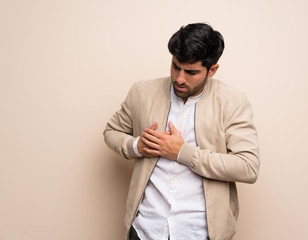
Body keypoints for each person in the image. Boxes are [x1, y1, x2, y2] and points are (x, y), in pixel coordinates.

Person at [103, 23, 260, 240]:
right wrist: (137, 146)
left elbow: (248, 167)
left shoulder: (232, 102)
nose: (179, 78)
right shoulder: (142, 92)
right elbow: (112, 131)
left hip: (200, 232)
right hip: (145, 229)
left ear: (212, 70)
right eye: (176, 66)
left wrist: (181, 152)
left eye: (191, 72)